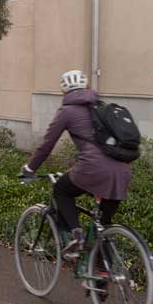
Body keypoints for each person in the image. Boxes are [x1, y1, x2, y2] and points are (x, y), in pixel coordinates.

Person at [19, 70, 132, 260]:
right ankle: (99, 282)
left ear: (64, 91)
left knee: (61, 190)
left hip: (93, 169)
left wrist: (29, 169)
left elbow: (46, 145)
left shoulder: (67, 111)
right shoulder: (101, 108)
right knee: (102, 228)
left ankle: (76, 235)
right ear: (87, 87)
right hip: (123, 170)